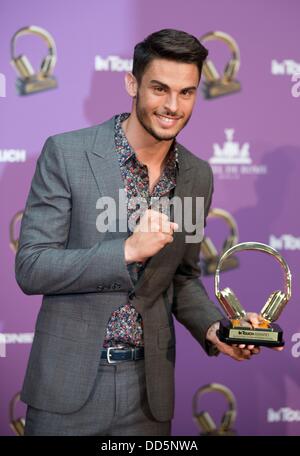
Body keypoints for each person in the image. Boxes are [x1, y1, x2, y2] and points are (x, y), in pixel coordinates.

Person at [15, 29, 275, 437]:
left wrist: (218, 330)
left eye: (186, 92)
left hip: (148, 395)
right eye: (160, 89)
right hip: (67, 388)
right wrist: (126, 250)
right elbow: (31, 266)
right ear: (132, 84)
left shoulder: (196, 175)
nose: (173, 106)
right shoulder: (66, 154)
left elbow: (183, 279)